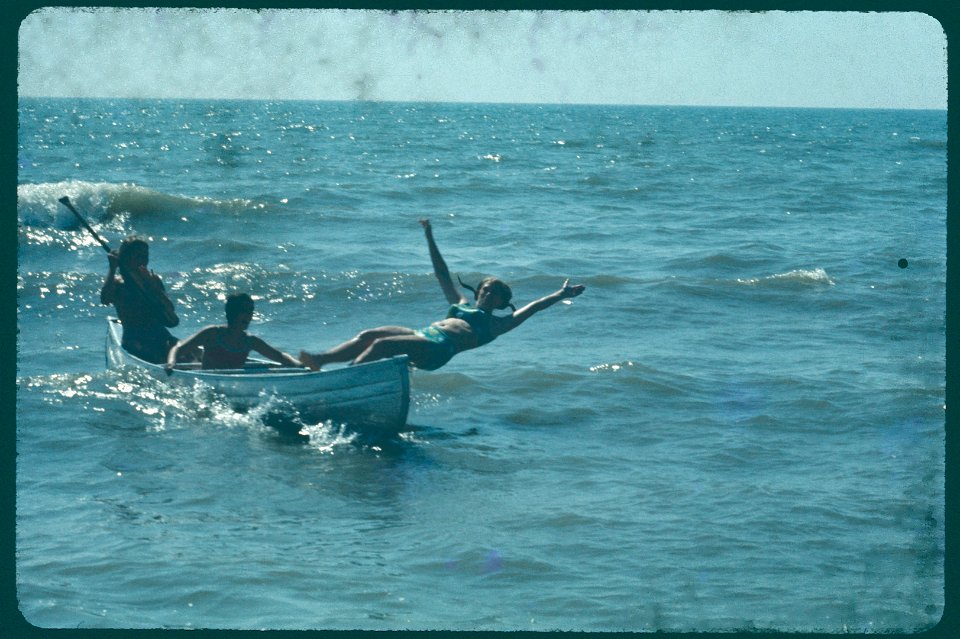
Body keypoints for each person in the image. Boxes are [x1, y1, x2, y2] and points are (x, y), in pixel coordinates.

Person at [299, 219, 585, 371]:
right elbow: (442, 274)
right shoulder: (461, 304)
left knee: (384, 345)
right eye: (484, 288)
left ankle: (348, 377)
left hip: (439, 349)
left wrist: (561, 294)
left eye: (493, 292)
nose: (486, 292)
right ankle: (321, 360)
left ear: (500, 301)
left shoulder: (498, 325)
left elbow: (533, 307)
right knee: (370, 335)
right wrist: (429, 236)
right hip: (424, 335)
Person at [166, 293, 302, 370]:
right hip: (207, 384)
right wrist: (171, 362)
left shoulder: (250, 341)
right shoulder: (212, 334)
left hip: (233, 385)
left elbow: (280, 356)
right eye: (244, 312)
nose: (249, 316)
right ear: (232, 313)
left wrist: (298, 364)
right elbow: (178, 348)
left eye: (251, 312)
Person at [101, 236, 181, 364]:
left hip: (160, 334)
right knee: (157, 358)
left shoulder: (153, 280)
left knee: (188, 353)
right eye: (138, 256)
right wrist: (112, 268)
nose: (143, 261)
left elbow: (170, 311)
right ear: (126, 258)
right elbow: (105, 299)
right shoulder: (118, 283)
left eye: (145, 256)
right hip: (135, 337)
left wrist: (154, 288)